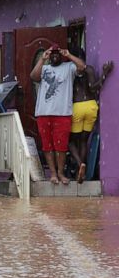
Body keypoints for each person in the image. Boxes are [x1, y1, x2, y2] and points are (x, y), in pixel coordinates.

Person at [30, 45, 85, 185]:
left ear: (61, 54)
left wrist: (69, 54)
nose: (54, 55)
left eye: (57, 53)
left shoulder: (69, 67)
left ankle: (61, 173)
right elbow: (33, 76)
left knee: (61, 146)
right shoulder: (44, 68)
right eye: (52, 53)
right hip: (43, 113)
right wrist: (43, 59)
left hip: (63, 114)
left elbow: (82, 67)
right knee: (47, 146)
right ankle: (53, 174)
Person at [68, 50, 113, 183]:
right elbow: (94, 88)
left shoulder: (71, 72)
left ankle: (79, 163)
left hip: (77, 107)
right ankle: (81, 170)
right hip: (91, 106)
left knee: (71, 141)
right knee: (83, 140)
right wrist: (105, 74)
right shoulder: (90, 70)